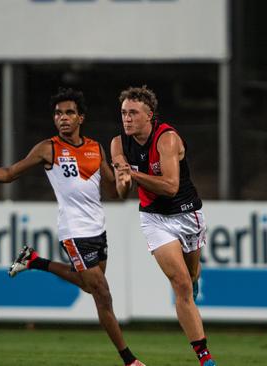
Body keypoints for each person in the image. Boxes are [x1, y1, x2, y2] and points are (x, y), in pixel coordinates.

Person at [0, 87, 145, 366]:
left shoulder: (95, 148)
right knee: (103, 294)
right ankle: (129, 360)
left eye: (69, 113)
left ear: (81, 118)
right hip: (73, 232)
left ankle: (34, 261)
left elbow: (114, 192)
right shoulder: (48, 148)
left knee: (91, 287)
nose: (63, 118)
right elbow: (9, 174)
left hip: (97, 230)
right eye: (58, 113)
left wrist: (126, 181)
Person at [110, 85, 217, 366]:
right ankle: (205, 358)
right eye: (124, 113)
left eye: (133, 113)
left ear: (150, 116)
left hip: (186, 214)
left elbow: (170, 187)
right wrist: (122, 182)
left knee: (191, 275)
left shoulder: (167, 139)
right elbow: (122, 193)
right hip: (154, 218)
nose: (127, 118)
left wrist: (131, 173)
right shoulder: (118, 144)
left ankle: (194, 280)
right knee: (180, 284)